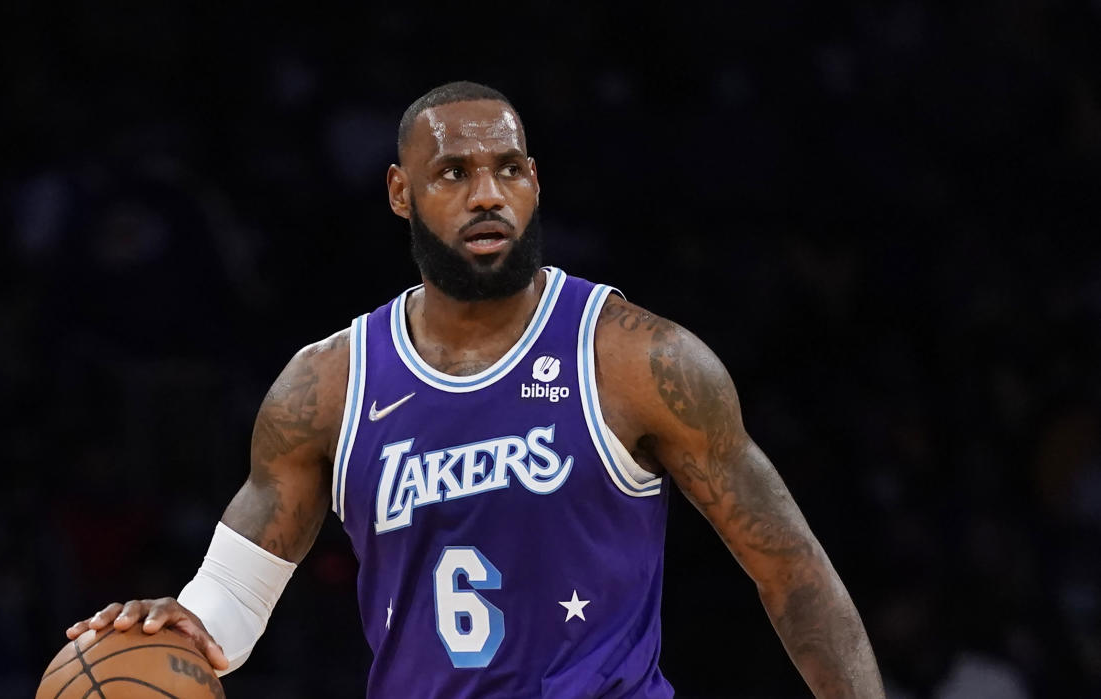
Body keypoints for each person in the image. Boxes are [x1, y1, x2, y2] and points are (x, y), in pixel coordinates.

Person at [67, 81, 885, 697]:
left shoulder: (637, 358)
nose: (486, 193)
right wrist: (180, 619)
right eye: (453, 172)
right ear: (400, 192)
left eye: (506, 169)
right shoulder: (328, 384)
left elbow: (794, 573)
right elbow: (232, 602)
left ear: (534, 182)